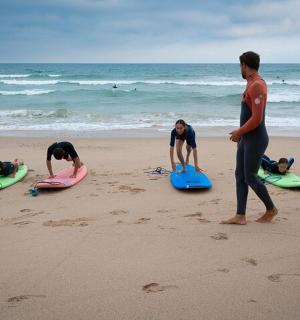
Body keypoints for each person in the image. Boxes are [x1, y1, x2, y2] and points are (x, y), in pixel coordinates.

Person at [222, 51, 278, 225]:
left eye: (240, 65)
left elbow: (256, 118)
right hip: (247, 138)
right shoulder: (251, 84)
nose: (240, 68)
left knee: (251, 177)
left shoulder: (257, 86)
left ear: (244, 65)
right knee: (240, 175)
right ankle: (240, 215)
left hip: (256, 138)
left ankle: (271, 209)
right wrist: (241, 134)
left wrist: (239, 131)